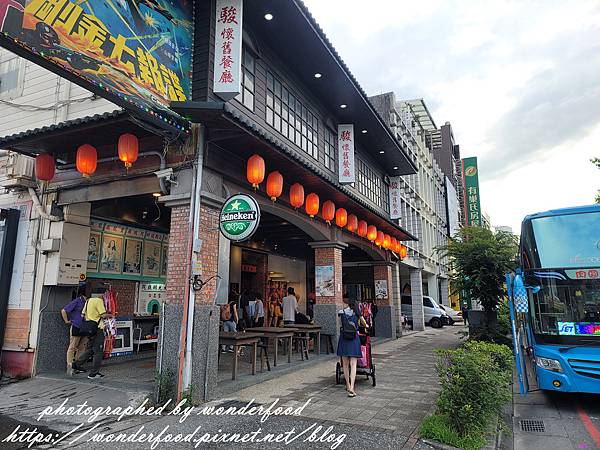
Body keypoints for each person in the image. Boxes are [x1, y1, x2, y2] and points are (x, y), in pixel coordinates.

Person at [73, 288, 112, 379]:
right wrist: (111, 315)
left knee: (90, 349)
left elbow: (82, 314)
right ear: (101, 294)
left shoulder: (88, 301)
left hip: (88, 328)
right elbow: (103, 315)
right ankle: (94, 373)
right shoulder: (98, 301)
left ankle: (77, 364)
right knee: (98, 351)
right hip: (97, 329)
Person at [337, 293, 366, 397]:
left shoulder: (341, 312)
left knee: (344, 364)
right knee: (353, 364)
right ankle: (352, 387)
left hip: (344, 338)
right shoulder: (358, 313)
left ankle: (348, 385)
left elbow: (340, 325)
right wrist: (365, 325)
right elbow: (365, 324)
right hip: (354, 339)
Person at [61, 284, 88, 376]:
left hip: (85, 327)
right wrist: (66, 321)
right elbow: (64, 310)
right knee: (72, 346)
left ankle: (76, 365)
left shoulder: (89, 302)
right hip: (76, 326)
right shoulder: (77, 301)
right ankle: (69, 366)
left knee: (82, 347)